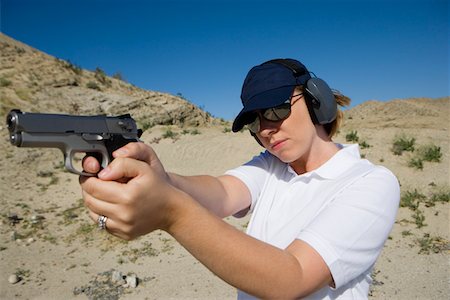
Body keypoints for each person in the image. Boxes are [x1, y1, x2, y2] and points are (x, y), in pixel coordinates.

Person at [80, 58, 400, 299]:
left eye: (275, 110)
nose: (265, 128)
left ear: (317, 101)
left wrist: (172, 212)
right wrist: (158, 178)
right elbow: (219, 192)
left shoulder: (370, 182)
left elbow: (294, 277)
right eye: (254, 122)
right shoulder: (270, 166)